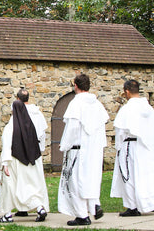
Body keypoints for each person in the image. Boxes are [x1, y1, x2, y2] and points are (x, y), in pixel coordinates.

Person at [57, 74, 108, 226]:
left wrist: (64, 146)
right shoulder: (97, 104)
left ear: (76, 86)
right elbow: (101, 128)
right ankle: (94, 206)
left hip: (77, 150)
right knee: (90, 179)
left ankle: (81, 215)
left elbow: (72, 128)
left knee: (75, 181)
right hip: (94, 149)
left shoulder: (76, 104)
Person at [110, 79, 154, 216]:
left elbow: (121, 131)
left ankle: (132, 206)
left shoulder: (127, 109)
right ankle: (151, 198)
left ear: (126, 91)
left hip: (131, 146)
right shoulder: (148, 108)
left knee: (129, 175)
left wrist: (119, 147)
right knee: (147, 174)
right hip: (147, 146)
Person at [0, 89, 49, 223]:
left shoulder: (11, 126)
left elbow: (7, 143)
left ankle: (7, 214)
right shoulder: (30, 124)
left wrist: (5, 162)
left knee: (11, 186)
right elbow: (40, 138)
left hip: (16, 160)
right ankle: (39, 208)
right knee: (30, 186)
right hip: (32, 159)